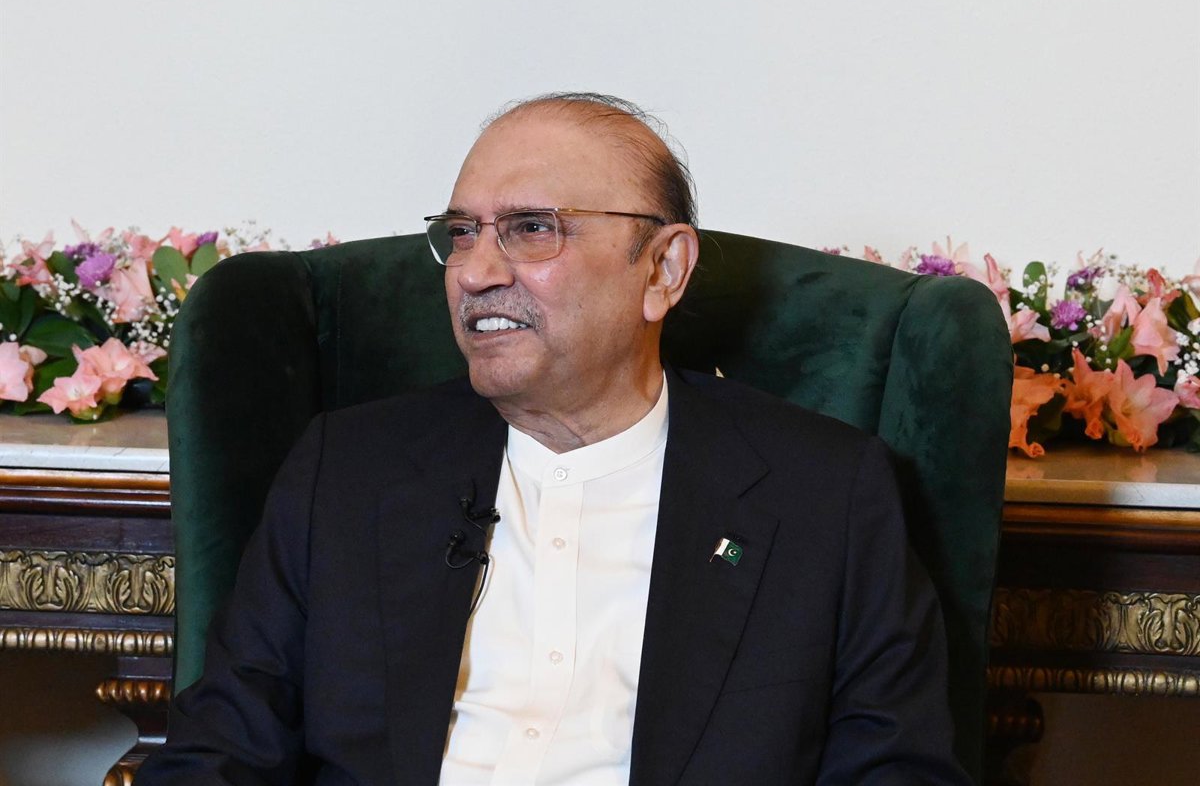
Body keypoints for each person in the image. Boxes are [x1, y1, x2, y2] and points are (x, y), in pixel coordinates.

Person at [138, 93, 969, 785]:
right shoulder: (348, 470)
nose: (475, 271)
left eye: (532, 229)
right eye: (461, 233)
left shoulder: (823, 493)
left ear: (662, 270)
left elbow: (897, 769)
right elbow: (220, 753)